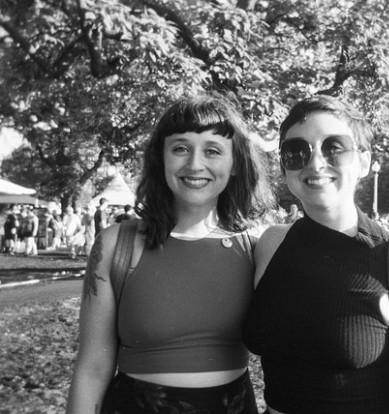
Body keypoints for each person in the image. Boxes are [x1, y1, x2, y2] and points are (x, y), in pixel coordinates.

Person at [244, 95, 389, 413]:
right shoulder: (270, 245)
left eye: (334, 147)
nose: (315, 163)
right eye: (296, 151)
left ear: (364, 160)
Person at [66, 93, 272, 414]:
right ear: (160, 158)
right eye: (180, 148)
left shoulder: (258, 249)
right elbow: (92, 367)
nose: (194, 164)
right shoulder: (115, 245)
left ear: (235, 165)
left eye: (213, 150)